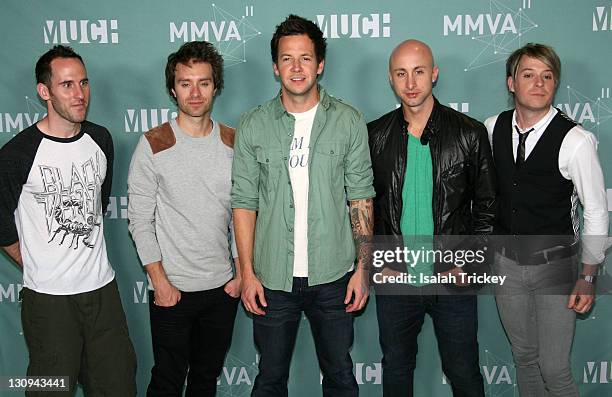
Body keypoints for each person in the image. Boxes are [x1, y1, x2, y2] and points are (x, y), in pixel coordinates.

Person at [231, 14, 375, 397]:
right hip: (272, 278)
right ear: (275, 67)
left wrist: (362, 269)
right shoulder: (253, 125)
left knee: (341, 378)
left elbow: (360, 197)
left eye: (306, 58)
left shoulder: (348, 121)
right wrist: (246, 273)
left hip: (334, 275)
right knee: (270, 380)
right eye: (287, 58)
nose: (297, 67)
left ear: (321, 64)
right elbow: (244, 204)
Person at [0, 45, 136, 396]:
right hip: (49, 301)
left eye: (84, 83)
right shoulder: (17, 154)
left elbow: (97, 206)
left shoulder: (100, 140)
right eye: (67, 85)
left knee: (118, 386)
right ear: (44, 92)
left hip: (102, 293)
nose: (79, 94)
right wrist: (35, 259)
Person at [368, 39, 496, 396]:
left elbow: (487, 208)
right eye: (401, 73)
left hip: (452, 280)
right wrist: (376, 265)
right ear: (391, 80)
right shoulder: (374, 136)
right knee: (396, 371)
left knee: (464, 373)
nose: (411, 83)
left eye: (419, 72)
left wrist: (470, 266)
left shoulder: (469, 133)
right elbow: (363, 208)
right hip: (395, 280)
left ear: (434, 75)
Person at [485, 43, 608, 396]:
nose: (538, 83)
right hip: (506, 265)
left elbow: (596, 211)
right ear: (511, 83)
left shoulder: (576, 140)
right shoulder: (493, 128)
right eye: (528, 75)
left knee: (555, 369)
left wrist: (588, 276)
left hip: (556, 266)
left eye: (547, 76)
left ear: (555, 84)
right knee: (524, 357)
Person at [127, 41, 241, 396]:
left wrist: (239, 274)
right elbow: (139, 219)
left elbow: (242, 213)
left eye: (203, 83)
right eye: (185, 83)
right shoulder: (154, 142)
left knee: (206, 380)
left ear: (215, 87)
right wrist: (159, 282)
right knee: (167, 381)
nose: (194, 92)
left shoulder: (233, 142)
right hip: (171, 291)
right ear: (172, 89)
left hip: (222, 289)